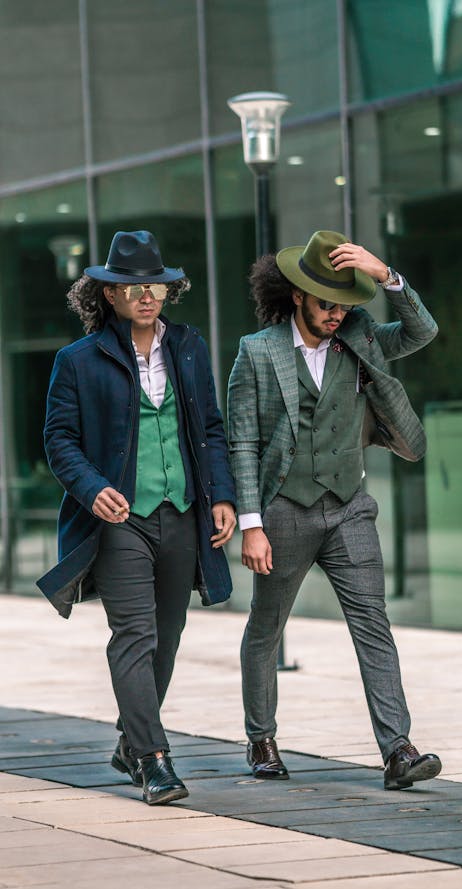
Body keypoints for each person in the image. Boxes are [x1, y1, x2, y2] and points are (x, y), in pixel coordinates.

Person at [227, 229, 442, 791]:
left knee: (373, 622)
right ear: (297, 294)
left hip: (349, 505)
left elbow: (423, 331)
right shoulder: (257, 351)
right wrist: (251, 525)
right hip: (284, 511)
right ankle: (261, 738)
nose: (336, 315)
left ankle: (398, 749)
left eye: (346, 304)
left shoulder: (361, 335)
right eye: (327, 303)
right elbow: (242, 441)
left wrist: (386, 274)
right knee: (266, 629)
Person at [38, 230, 236, 805]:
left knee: (168, 637)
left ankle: (130, 741)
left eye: (155, 285)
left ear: (167, 291)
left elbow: (212, 430)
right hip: (120, 519)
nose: (146, 295)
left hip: (182, 513)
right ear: (109, 295)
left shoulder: (190, 347)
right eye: (131, 287)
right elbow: (60, 439)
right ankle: (154, 761)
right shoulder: (77, 360)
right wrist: (93, 487)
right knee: (134, 634)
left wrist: (220, 496)